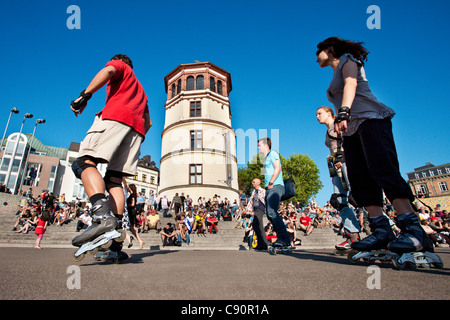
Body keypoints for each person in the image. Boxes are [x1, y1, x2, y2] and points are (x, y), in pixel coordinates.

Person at [315, 37, 435, 256]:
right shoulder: (333, 75)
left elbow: (351, 82)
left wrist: (343, 111)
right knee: (361, 178)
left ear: (330, 49)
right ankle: (381, 231)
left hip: (370, 120)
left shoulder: (348, 60)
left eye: (318, 51)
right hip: (351, 130)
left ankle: (414, 231)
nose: (316, 57)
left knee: (382, 168)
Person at [70, 53, 151, 248]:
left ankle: (101, 217)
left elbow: (108, 70)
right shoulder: (142, 92)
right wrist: (134, 135)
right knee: (114, 179)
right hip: (137, 132)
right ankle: (115, 242)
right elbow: (148, 122)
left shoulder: (121, 67)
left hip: (116, 118)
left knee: (83, 162)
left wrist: (84, 96)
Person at [316, 106, 361, 249]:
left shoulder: (337, 125)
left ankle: (384, 230)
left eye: (319, 113)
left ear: (329, 113)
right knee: (338, 200)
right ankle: (353, 236)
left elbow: (347, 139)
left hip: (346, 161)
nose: (317, 116)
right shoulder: (327, 130)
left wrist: (341, 157)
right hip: (336, 166)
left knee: (358, 197)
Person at [258, 137, 291, 249]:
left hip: (275, 186)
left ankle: (284, 239)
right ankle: (283, 238)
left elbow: (278, 168)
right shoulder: (266, 158)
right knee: (270, 214)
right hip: (270, 188)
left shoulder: (273, 154)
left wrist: (271, 182)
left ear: (266, 145)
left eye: (259, 145)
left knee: (272, 212)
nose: (258, 148)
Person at [246, 178, 270, 250]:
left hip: (260, 209)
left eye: (254, 182)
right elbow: (251, 201)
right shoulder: (253, 192)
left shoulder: (263, 191)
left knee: (258, 225)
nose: (252, 183)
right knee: (256, 226)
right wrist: (247, 209)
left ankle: (264, 244)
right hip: (255, 210)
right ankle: (262, 244)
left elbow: (267, 200)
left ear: (258, 183)